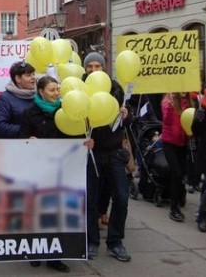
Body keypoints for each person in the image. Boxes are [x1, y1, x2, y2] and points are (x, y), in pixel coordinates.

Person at [20, 75, 95, 273]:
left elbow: (77, 136)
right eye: (52, 90)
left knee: (58, 212)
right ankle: (35, 251)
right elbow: (21, 139)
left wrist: (87, 143)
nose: (56, 93)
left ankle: (55, 256)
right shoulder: (29, 113)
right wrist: (29, 140)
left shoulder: (68, 111)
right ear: (41, 92)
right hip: (38, 169)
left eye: (58, 89)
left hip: (63, 170)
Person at [82, 52, 132, 262]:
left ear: (104, 68)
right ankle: (92, 242)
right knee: (91, 201)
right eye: (90, 67)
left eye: (97, 66)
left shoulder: (116, 89)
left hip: (113, 153)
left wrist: (127, 116)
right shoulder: (78, 88)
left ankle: (115, 242)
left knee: (121, 198)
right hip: (91, 153)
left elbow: (125, 125)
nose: (94, 70)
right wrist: (82, 140)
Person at [160, 92, 192, 222]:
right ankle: (174, 208)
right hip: (169, 142)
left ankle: (180, 195)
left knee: (181, 174)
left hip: (183, 143)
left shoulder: (189, 101)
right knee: (176, 174)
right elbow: (166, 120)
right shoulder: (167, 100)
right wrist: (171, 106)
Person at [0, 61, 36, 138]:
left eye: (33, 74)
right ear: (18, 79)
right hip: (15, 146)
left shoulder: (39, 95)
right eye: (28, 75)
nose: (33, 78)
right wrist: (26, 131)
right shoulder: (5, 99)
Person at [191, 75, 206, 232]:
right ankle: (202, 217)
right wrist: (197, 120)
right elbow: (194, 131)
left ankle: (200, 210)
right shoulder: (203, 106)